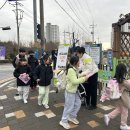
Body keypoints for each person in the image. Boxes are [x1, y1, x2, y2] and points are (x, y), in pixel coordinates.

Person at [59, 56, 89, 129]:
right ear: (75, 62)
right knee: (69, 107)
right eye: (79, 61)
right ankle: (63, 121)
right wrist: (84, 78)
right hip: (70, 91)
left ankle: (72, 117)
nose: (80, 62)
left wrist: (83, 74)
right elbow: (74, 81)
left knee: (78, 103)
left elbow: (76, 76)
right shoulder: (71, 70)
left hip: (74, 91)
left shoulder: (74, 69)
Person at [104, 63, 130, 130]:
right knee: (125, 112)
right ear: (123, 71)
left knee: (119, 109)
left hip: (117, 98)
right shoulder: (123, 81)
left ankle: (108, 116)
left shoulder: (115, 79)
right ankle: (123, 125)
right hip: (123, 99)